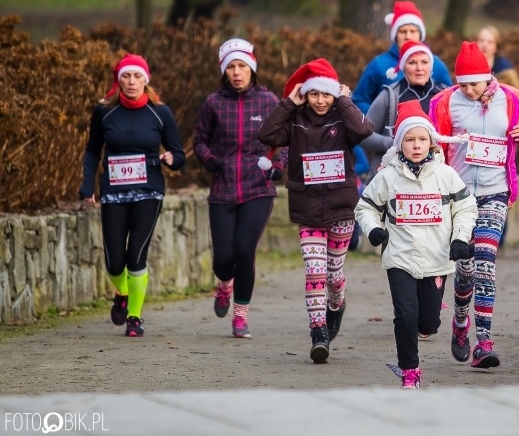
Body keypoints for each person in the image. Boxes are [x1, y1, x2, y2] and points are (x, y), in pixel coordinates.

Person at [354, 100, 478, 389]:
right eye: (409, 140)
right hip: (399, 258)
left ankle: (434, 320)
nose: (417, 145)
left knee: (427, 324)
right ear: (400, 145)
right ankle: (409, 371)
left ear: (432, 143)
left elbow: (466, 208)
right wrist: (373, 230)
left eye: (423, 139)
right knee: (405, 316)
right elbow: (365, 208)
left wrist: (460, 237)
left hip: (437, 259)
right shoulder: (387, 177)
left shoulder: (446, 175)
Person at [259, 58, 373, 363]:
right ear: (304, 94)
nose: (320, 101)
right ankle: (318, 330)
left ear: (334, 93)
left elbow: (363, 130)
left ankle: (336, 304)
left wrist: (345, 100)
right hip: (307, 208)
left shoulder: (342, 117)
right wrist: (288, 103)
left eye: (325, 94)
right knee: (314, 270)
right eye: (313, 94)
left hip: (340, 208)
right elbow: (267, 135)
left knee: (334, 274)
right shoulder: (295, 120)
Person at [429, 41, 519, 369]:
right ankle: (460, 322)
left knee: (486, 263)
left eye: (474, 83)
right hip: (459, 195)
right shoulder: (445, 102)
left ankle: (484, 341)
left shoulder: (511, 97)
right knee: (465, 269)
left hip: (496, 190)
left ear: (488, 76)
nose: (469, 90)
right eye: (463, 84)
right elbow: (432, 141)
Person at [79, 54, 185, 337]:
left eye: (137, 76)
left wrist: (171, 159)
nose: (132, 82)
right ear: (119, 80)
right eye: (126, 76)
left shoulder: (159, 112)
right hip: (114, 191)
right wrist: (88, 185)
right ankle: (122, 291)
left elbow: (179, 153)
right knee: (115, 261)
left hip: (148, 190)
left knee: (135, 254)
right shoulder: (104, 112)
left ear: (146, 80)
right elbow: (92, 151)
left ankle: (135, 317)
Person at [193, 38, 286, 339]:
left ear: (252, 69)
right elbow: (199, 141)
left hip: (258, 187)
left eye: (242, 66)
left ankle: (241, 316)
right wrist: (208, 159)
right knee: (223, 258)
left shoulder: (269, 101)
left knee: (244, 250)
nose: (237, 72)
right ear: (224, 71)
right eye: (231, 66)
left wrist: (278, 166)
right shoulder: (213, 103)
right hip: (223, 188)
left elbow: (282, 141)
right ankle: (224, 285)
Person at [360, 40, 450, 179]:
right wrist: (395, 143)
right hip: (393, 177)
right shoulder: (389, 96)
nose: (419, 68)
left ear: (431, 65)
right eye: (412, 62)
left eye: (424, 62)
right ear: (403, 67)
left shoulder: (445, 95)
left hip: (436, 177)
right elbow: (363, 135)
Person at [352, 0, 452, 114]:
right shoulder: (378, 64)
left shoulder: (437, 65)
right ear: (395, 35)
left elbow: (451, 100)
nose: (408, 36)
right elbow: (359, 100)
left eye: (413, 31)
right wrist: (379, 117)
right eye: (403, 31)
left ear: (421, 34)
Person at [476, 25, 519, 92]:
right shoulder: (468, 65)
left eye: (490, 42)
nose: (485, 45)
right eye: (481, 40)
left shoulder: (505, 70)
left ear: (496, 48)